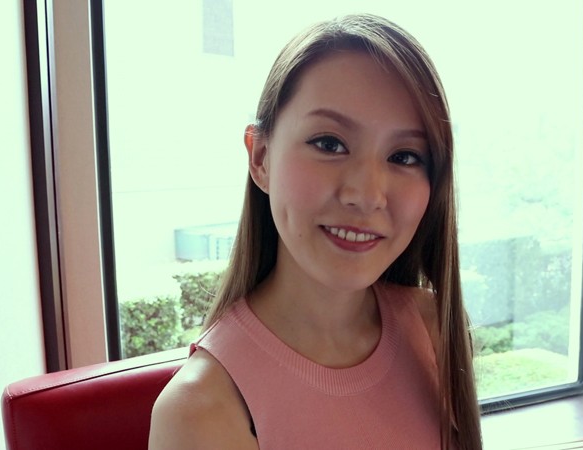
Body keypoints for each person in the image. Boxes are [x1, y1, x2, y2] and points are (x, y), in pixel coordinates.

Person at [149, 13, 482, 450]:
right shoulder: (200, 412)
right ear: (261, 158)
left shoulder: (433, 327)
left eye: (404, 156)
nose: (366, 195)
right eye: (329, 144)